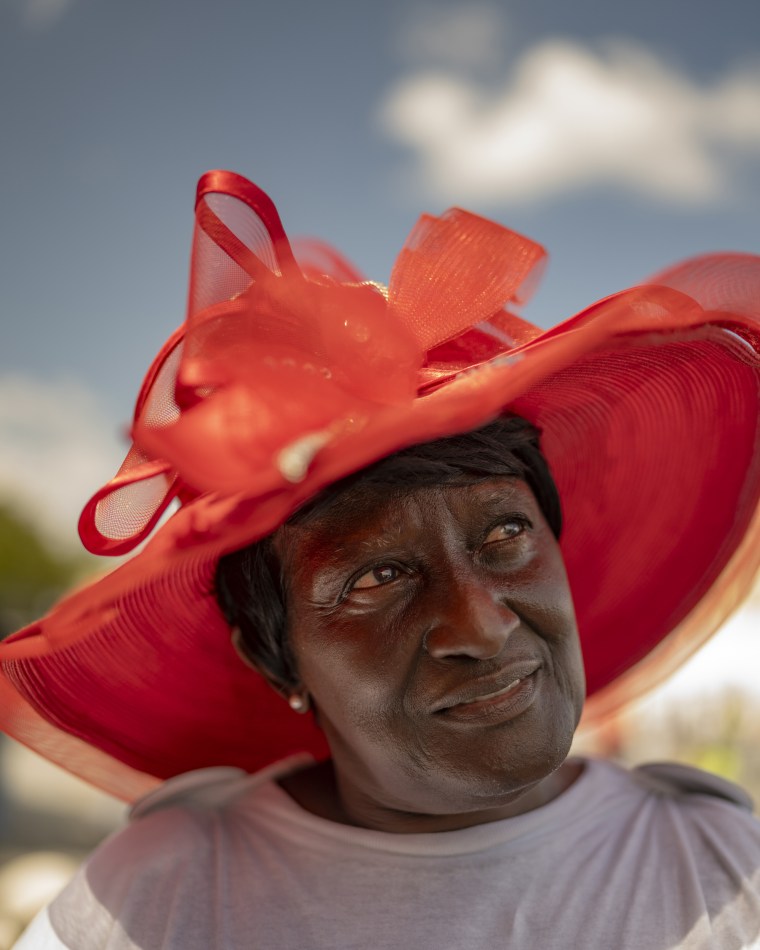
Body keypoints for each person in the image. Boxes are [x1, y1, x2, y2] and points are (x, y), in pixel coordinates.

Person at [3, 170, 760, 948]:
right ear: (277, 658)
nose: (482, 624)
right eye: (377, 577)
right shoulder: (161, 898)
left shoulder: (722, 870)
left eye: (504, 536)